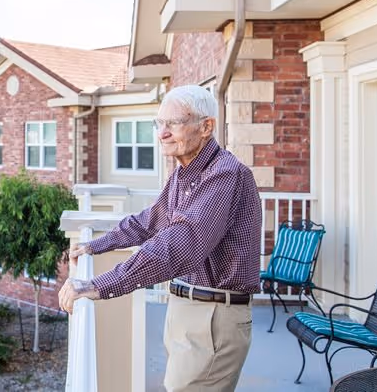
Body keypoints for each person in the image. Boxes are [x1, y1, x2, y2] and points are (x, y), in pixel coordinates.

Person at [59, 84, 261, 392]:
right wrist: (96, 245)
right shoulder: (184, 173)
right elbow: (150, 221)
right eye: (159, 123)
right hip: (186, 308)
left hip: (213, 317)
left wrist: (99, 284)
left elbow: (180, 243)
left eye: (173, 123)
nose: (162, 133)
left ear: (206, 126)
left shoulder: (225, 174)